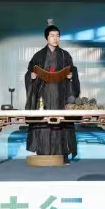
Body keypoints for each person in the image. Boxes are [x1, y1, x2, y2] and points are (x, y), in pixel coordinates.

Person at [25, 22, 79, 159]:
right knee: (43, 124)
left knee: (61, 125)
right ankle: (43, 154)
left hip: (61, 95)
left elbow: (72, 71)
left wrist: (71, 76)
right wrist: (31, 77)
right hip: (43, 95)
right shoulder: (38, 56)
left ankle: (62, 154)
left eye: (57, 35)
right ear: (46, 38)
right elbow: (29, 72)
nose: (55, 38)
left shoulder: (65, 55)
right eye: (52, 35)